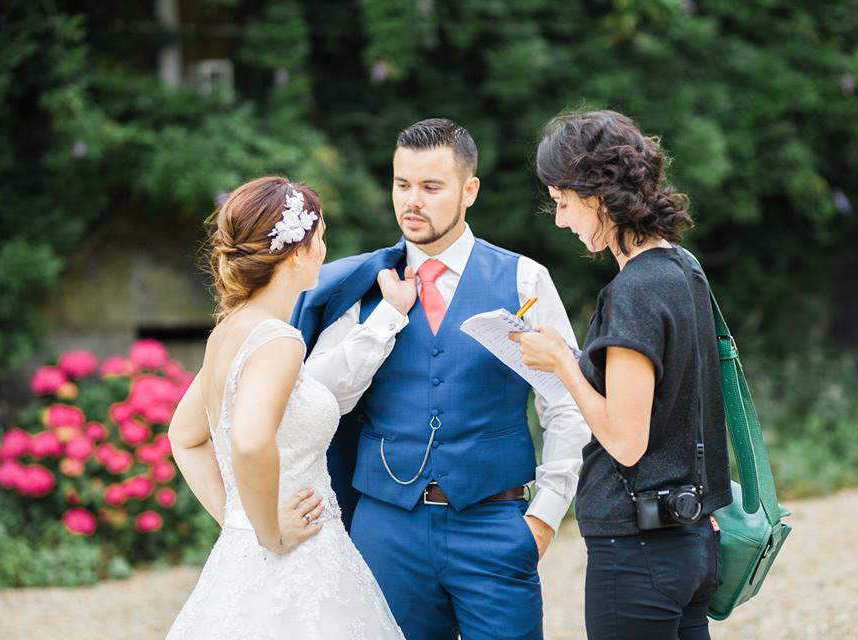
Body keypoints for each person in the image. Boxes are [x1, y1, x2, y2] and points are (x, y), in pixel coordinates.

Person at [292, 118, 591, 640]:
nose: (413, 201)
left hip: (494, 524)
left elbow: (567, 402)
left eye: (431, 187)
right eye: (402, 184)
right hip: (386, 529)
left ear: (468, 190)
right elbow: (317, 399)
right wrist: (384, 319)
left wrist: (544, 515)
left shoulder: (523, 279)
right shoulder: (361, 287)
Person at [511, 110, 732, 639]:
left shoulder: (634, 290)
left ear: (597, 194)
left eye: (562, 202)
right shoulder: (684, 268)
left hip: (639, 550)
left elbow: (627, 441)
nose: (560, 219)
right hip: (692, 541)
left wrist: (564, 363)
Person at [166, 176, 413, 639]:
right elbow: (251, 440)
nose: (324, 249)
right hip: (294, 556)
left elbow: (184, 437)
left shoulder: (228, 332)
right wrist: (268, 533)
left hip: (247, 555)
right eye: (320, 238)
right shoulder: (279, 340)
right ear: (297, 252)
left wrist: (237, 520)